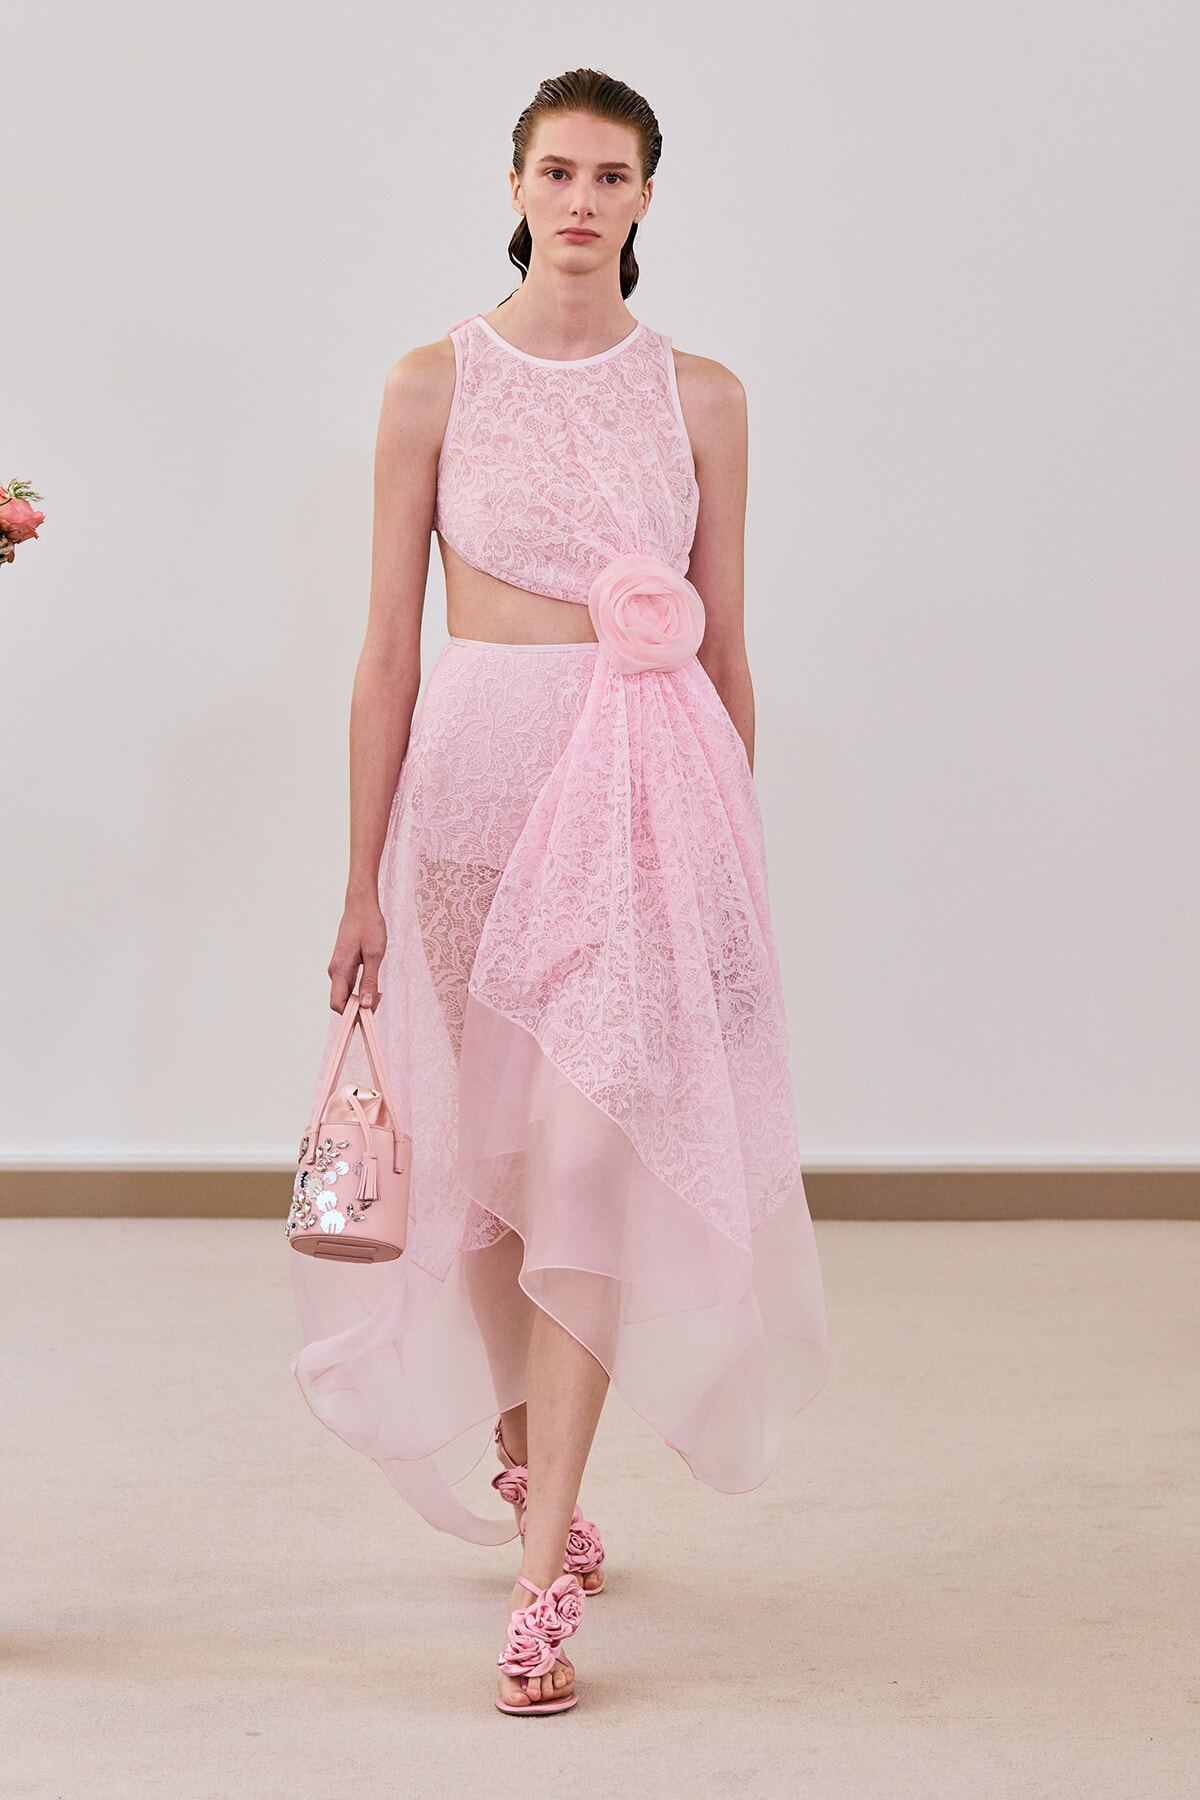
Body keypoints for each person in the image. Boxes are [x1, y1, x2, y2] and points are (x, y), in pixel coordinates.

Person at [289, 67, 828, 1715]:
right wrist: (359, 874)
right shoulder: (430, 382)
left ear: (649, 199)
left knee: (590, 1149)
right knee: (487, 1161)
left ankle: (537, 1594)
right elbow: (389, 646)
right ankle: (538, 1471)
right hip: (472, 788)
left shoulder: (707, 397)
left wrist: (728, 887)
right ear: (516, 186)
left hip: (646, 797)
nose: (583, 198)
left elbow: (730, 649)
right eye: (557, 170)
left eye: (613, 174)